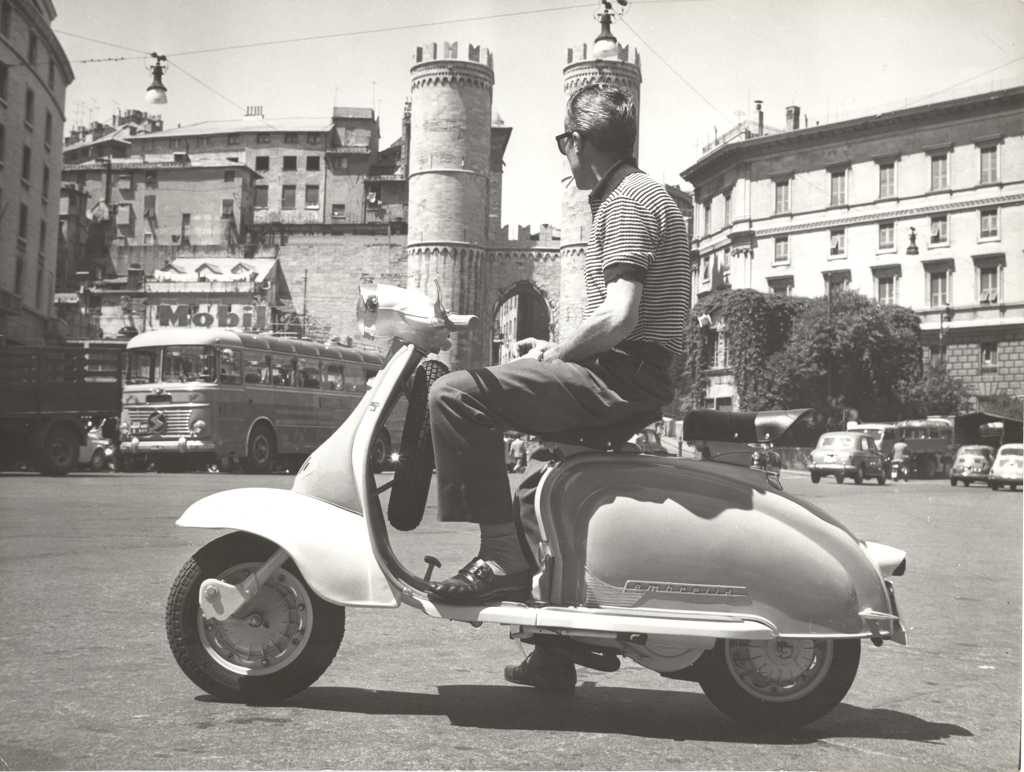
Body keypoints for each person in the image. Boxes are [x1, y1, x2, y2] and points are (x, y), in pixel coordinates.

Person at [425, 83, 690, 688]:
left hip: (621, 377)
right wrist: (558, 352)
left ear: (579, 142)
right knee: (537, 490)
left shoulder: (625, 198)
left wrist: (556, 350)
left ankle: (498, 558)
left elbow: (620, 314)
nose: (563, 154)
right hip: (635, 375)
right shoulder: (646, 195)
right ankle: (554, 647)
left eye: (563, 141)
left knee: (455, 393)